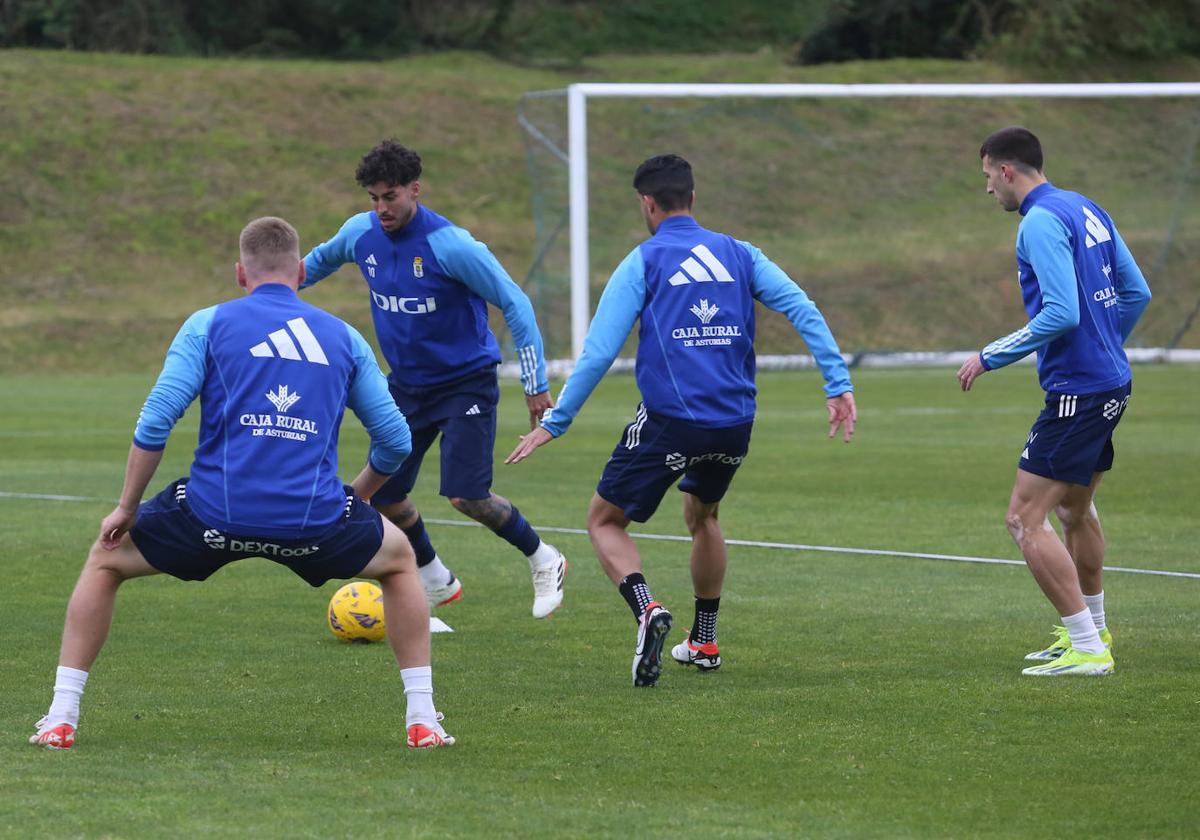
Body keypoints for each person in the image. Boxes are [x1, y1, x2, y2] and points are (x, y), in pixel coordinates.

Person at [30, 217, 454, 750]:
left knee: (105, 559)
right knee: (399, 561)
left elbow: (157, 419)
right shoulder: (345, 338)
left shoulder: (207, 324)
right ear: (301, 272)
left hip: (209, 517)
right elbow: (394, 440)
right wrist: (358, 498)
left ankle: (61, 717)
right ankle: (422, 719)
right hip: (316, 522)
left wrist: (125, 508)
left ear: (240, 274)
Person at [506, 154, 857, 686]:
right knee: (704, 516)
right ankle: (705, 641)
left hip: (672, 421)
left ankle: (647, 609)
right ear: (692, 198)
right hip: (735, 424)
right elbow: (802, 307)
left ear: (647, 203)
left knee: (604, 520)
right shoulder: (739, 253)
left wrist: (555, 422)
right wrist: (838, 383)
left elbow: (600, 353)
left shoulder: (644, 260)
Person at [302, 140, 566, 619]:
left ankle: (543, 557)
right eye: (374, 198)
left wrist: (535, 384)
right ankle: (435, 580)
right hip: (405, 386)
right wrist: (267, 287)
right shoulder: (359, 234)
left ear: (414, 190)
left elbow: (516, 303)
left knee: (467, 496)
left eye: (390, 197)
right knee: (383, 492)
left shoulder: (452, 246)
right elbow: (312, 266)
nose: (381, 208)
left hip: (466, 382)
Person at [959, 127, 1152, 676]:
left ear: (1007, 172)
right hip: (1111, 382)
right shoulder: (1084, 205)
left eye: (988, 179)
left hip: (1080, 391)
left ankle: (1088, 648)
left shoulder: (1039, 222)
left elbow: (1062, 313)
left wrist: (989, 355)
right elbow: (1136, 292)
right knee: (1074, 508)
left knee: (1024, 518)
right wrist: (1108, 344)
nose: (988, 190)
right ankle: (1094, 631)